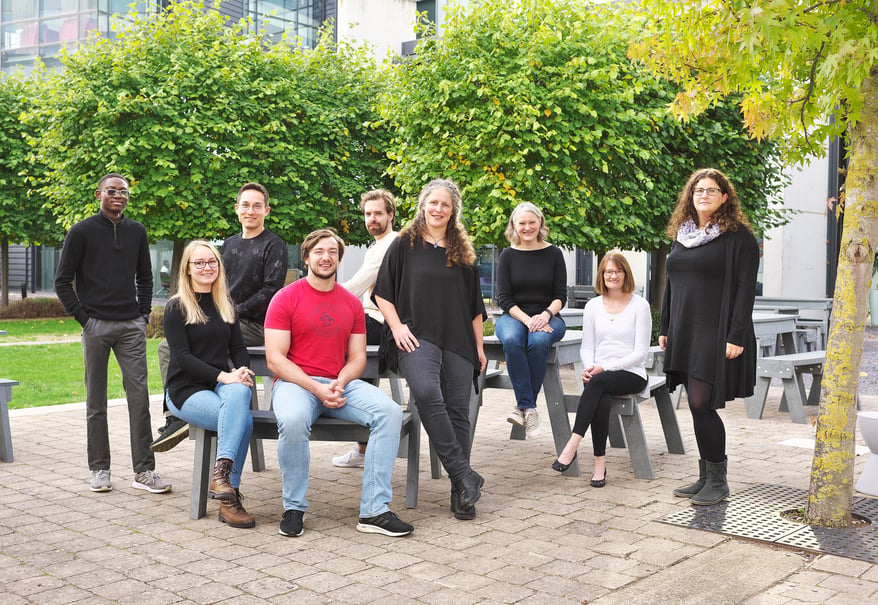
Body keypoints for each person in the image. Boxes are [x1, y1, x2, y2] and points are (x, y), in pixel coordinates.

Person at [265, 229, 414, 538]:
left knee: (388, 412)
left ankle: (374, 511)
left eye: (332, 252)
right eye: (319, 251)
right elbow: (275, 359)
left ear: (339, 259)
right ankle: (293, 507)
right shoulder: (285, 298)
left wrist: (340, 382)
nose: (326, 257)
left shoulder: (350, 303)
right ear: (306, 257)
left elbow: (358, 357)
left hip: (339, 384)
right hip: (296, 385)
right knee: (292, 420)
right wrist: (316, 388)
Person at [374, 178, 488, 521]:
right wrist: (396, 327)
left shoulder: (464, 253)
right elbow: (382, 292)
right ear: (423, 205)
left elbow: (474, 307)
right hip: (415, 335)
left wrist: (479, 348)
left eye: (445, 205)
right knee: (425, 392)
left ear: (453, 212)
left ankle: (460, 491)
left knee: (458, 410)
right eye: (433, 203)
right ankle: (463, 474)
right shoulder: (403, 244)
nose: (438, 209)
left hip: (458, 338)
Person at [54, 173, 171, 494]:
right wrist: (84, 320)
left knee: (139, 400)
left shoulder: (136, 231)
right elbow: (62, 281)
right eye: (112, 190)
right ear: (98, 195)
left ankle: (144, 471)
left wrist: (143, 315)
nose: (118, 195)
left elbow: (145, 279)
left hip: (131, 327)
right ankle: (100, 469)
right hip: (95, 327)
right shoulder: (81, 232)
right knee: (96, 401)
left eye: (124, 191)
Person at [151, 182, 287, 452]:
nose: (250, 211)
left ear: (266, 211)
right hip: (224, 316)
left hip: (254, 324)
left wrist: (229, 313)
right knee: (174, 346)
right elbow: (218, 283)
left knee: (170, 347)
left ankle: (177, 413)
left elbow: (270, 292)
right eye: (245, 205)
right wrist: (220, 313)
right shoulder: (229, 244)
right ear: (237, 209)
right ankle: (181, 409)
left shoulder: (274, 245)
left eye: (257, 206)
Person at [659, 168, 759, 506]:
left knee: (702, 402)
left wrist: (737, 335)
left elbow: (746, 290)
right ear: (690, 196)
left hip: (715, 332)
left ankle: (719, 481)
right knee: (696, 405)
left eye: (712, 190)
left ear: (725, 197)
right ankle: (705, 477)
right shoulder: (682, 235)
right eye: (698, 190)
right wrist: (665, 327)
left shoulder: (740, 238)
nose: (704, 195)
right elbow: (671, 284)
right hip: (684, 330)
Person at [163, 240, 256, 528]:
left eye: (212, 261)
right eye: (199, 263)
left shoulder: (224, 304)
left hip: (219, 384)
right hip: (185, 390)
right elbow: (182, 357)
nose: (207, 267)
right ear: (187, 270)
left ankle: (221, 482)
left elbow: (238, 348)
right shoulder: (176, 307)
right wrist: (223, 376)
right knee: (244, 422)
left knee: (240, 392)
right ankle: (229, 498)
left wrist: (241, 370)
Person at [551, 253, 651, 487]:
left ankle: (573, 444)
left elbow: (640, 353)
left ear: (626, 274)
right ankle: (599, 464)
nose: (613, 276)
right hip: (598, 374)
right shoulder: (593, 306)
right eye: (608, 272)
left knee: (598, 384)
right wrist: (589, 367)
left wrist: (603, 368)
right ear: (602, 275)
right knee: (601, 397)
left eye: (618, 271)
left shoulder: (640, 306)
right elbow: (587, 346)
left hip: (631, 373)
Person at [333, 188, 399, 468]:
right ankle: (363, 446)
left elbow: (355, 287)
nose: (372, 219)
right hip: (372, 318)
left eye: (378, 213)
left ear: (391, 215)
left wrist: (318, 294)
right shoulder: (382, 244)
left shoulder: (387, 245)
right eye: (368, 214)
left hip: (380, 322)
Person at [494, 202, 567, 438]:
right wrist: (528, 320)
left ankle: (522, 407)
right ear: (514, 226)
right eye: (522, 223)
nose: (527, 227)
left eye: (531, 222)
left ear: (540, 223)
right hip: (514, 315)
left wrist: (545, 315)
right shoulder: (507, 255)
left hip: (549, 315)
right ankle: (530, 408)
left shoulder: (554, 253)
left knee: (537, 342)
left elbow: (560, 296)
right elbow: (503, 298)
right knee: (513, 339)